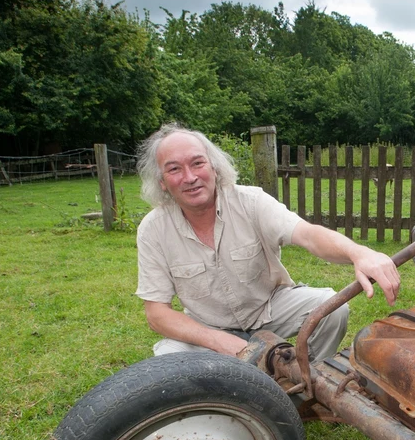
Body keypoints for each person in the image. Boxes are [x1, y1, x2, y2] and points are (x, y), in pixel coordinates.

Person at [134, 123, 400, 361]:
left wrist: (358, 252)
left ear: (214, 168)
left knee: (332, 307)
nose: (190, 177)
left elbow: (308, 234)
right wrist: (219, 341)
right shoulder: (153, 230)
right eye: (174, 169)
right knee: (168, 359)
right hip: (208, 326)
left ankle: (308, 381)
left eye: (197, 163)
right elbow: (157, 313)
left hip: (269, 310)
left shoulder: (251, 202)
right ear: (163, 183)